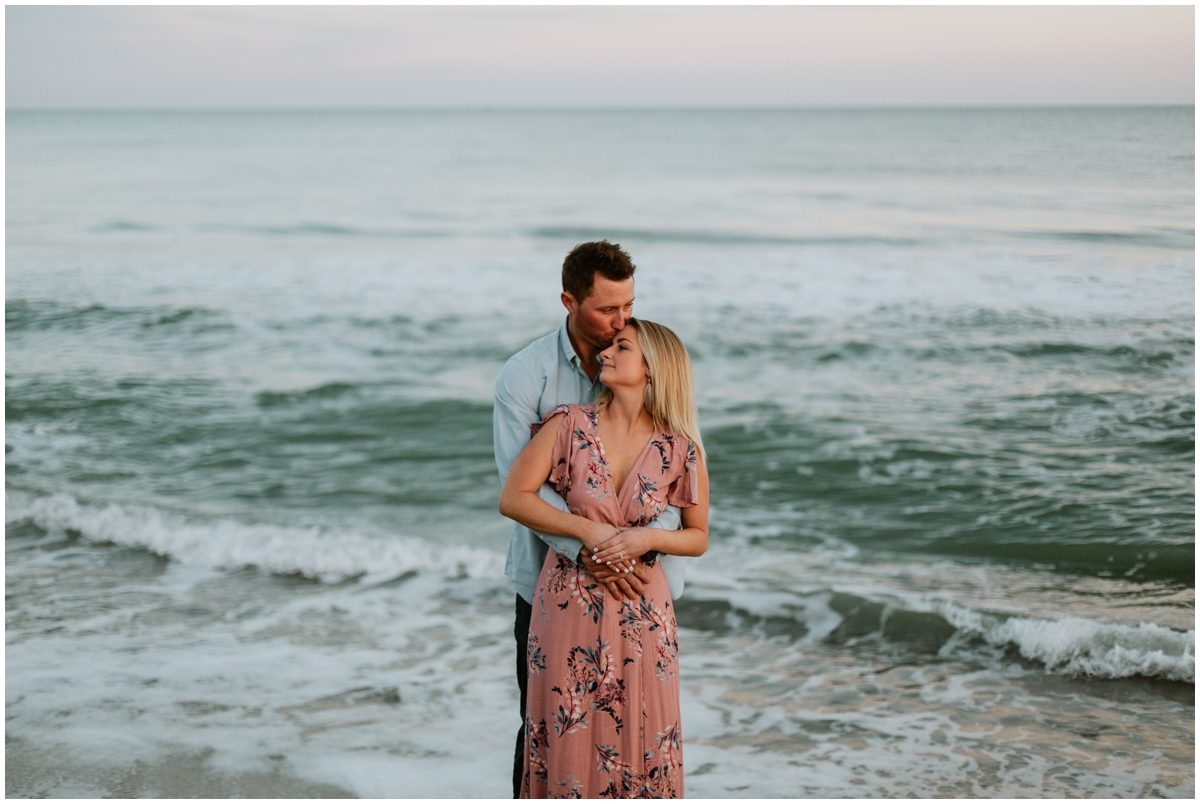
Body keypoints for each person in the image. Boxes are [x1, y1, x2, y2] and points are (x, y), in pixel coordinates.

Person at [492, 241, 688, 798]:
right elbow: (520, 487)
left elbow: (672, 472)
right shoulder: (525, 378)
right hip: (550, 586)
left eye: (628, 306)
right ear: (568, 302)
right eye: (607, 310)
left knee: (639, 729)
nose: (621, 321)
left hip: (639, 583)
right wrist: (591, 547)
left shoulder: (642, 359)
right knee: (547, 725)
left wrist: (640, 545)